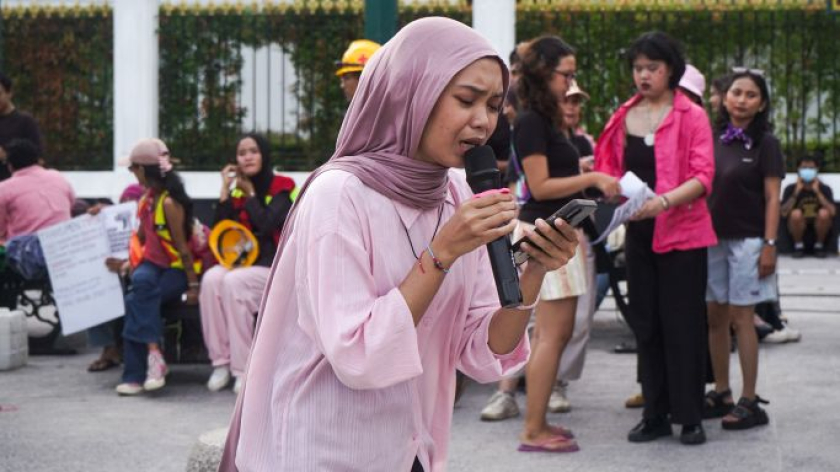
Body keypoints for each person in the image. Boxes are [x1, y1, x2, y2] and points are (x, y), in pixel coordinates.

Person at [218, 17, 579, 471]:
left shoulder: (456, 194)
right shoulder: (339, 195)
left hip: (413, 446)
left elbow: (485, 350)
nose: (482, 122)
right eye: (465, 100)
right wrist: (442, 253)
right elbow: (359, 354)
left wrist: (534, 272)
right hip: (326, 449)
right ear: (412, 92)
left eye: (492, 105)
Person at [594, 31, 716, 446]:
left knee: (683, 324)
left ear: (671, 71)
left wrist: (663, 202)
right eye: (638, 68)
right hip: (639, 231)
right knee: (646, 323)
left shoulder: (691, 115)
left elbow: (703, 176)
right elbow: (607, 168)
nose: (643, 76)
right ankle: (655, 414)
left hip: (683, 233)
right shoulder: (624, 114)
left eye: (652, 68)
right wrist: (612, 192)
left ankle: (690, 416)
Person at [507, 35, 618, 452]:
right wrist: (592, 178)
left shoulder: (545, 117)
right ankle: (533, 429)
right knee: (551, 336)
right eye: (566, 74)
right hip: (543, 235)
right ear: (543, 73)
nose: (572, 82)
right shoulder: (532, 119)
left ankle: (539, 421)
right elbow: (540, 185)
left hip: (555, 234)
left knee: (558, 333)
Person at [704, 68, 785, 430]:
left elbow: (772, 197)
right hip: (711, 239)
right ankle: (721, 390)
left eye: (751, 94)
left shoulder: (766, 143)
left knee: (742, 318)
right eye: (736, 92)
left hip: (749, 241)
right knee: (715, 317)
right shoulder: (713, 136)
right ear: (725, 97)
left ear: (762, 103)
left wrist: (769, 245)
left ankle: (748, 398)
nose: (741, 99)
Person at [201, 133, 295, 394]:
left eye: (253, 151)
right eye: (242, 153)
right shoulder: (237, 191)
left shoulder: (282, 187)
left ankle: (243, 369)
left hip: (275, 268)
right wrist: (224, 192)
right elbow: (219, 231)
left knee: (233, 282)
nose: (248, 157)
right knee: (211, 280)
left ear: (263, 155)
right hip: (242, 264)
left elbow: (267, 223)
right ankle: (221, 363)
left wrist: (251, 194)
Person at [115, 138, 198, 396]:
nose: (131, 173)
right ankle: (153, 356)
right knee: (140, 287)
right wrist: (128, 261)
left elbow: (183, 249)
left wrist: (194, 284)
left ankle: (136, 374)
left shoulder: (169, 204)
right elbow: (141, 238)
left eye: (133, 168)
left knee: (136, 299)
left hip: (175, 270)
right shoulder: (147, 199)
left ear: (143, 170)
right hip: (152, 266)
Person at [86, 184, 146, 372]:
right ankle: (109, 347)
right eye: (124, 202)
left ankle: (117, 349)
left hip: (142, 271)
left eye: (133, 202)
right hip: (117, 271)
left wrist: (129, 264)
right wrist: (98, 217)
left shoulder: (152, 218)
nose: (128, 204)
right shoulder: (114, 220)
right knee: (95, 283)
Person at [0, 139, 73, 246]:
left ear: (10, 165)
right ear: (38, 160)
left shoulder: (4, 188)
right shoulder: (58, 177)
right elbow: (71, 203)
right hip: (65, 246)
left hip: (26, 254)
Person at [781, 154, 835, 258]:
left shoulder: (824, 189)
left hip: (820, 232)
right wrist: (796, 192)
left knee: (824, 213)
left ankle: (819, 246)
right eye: (804, 168)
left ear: (817, 169)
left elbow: (832, 212)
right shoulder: (790, 189)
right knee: (795, 214)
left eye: (811, 168)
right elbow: (783, 213)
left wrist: (818, 192)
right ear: (798, 169)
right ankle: (798, 246)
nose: (807, 171)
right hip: (797, 231)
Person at [0, 72, 43, 182]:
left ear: (9, 93)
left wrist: (6, 157)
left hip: (15, 184)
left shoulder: (25, 122)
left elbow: (37, 159)